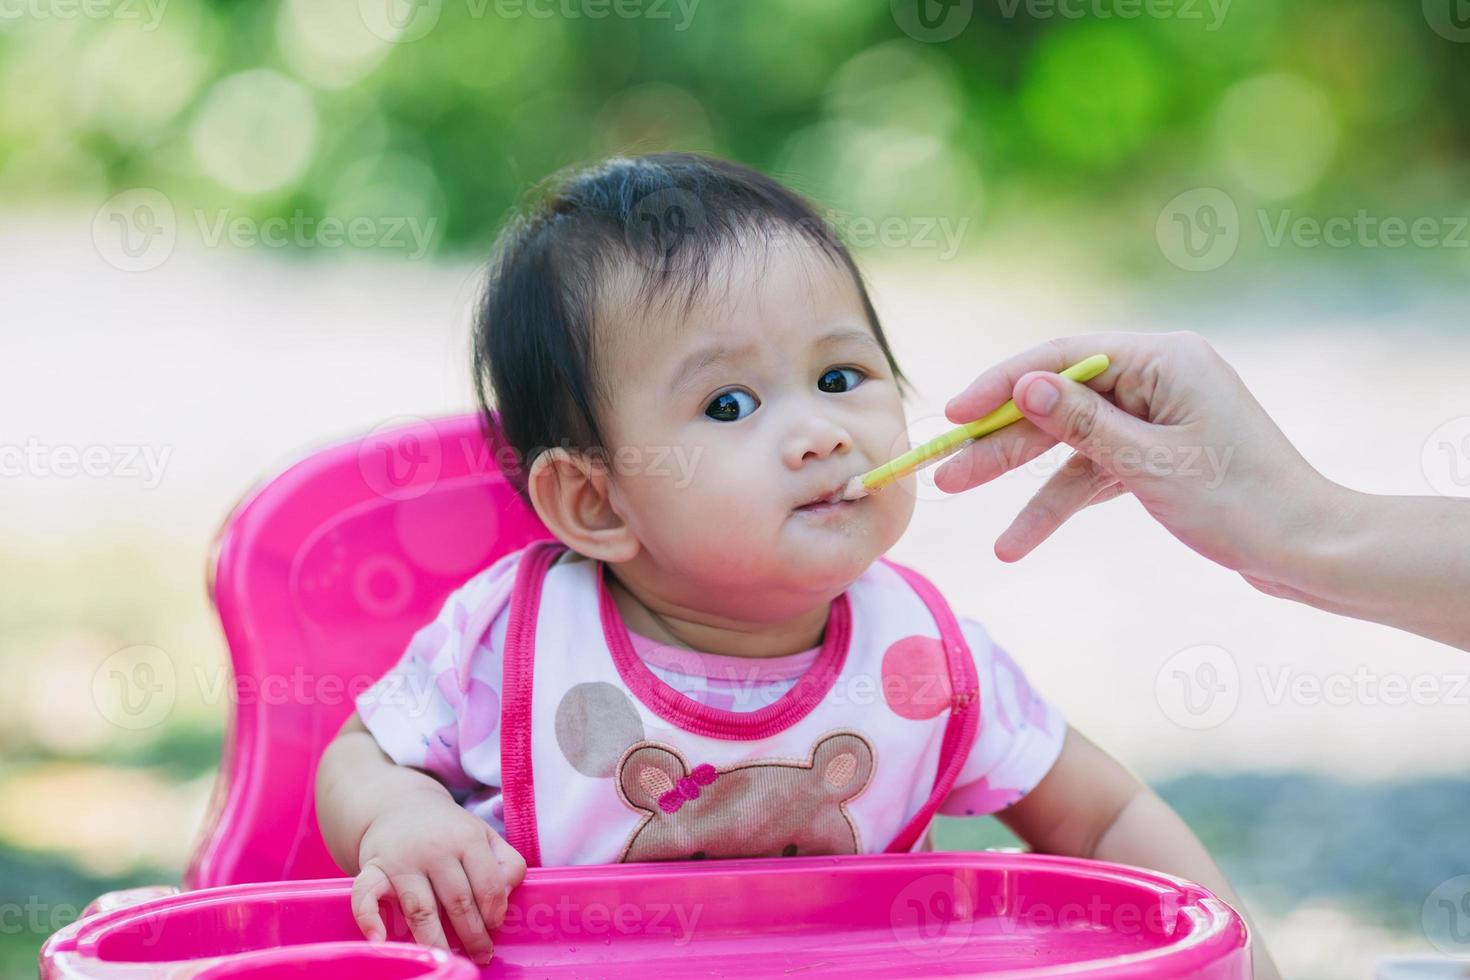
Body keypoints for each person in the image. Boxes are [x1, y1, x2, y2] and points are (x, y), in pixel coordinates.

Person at [312, 154, 1279, 978]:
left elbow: (1106, 819)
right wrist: (400, 819)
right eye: (731, 406)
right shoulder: (515, 639)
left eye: (839, 378)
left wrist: (1238, 963)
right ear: (598, 502)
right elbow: (358, 755)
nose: (820, 432)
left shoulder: (925, 663)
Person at [935, 331, 1470, 653]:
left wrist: (1303, 536)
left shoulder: (946, 646)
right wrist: (1303, 539)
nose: (843, 434)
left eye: (847, 378)